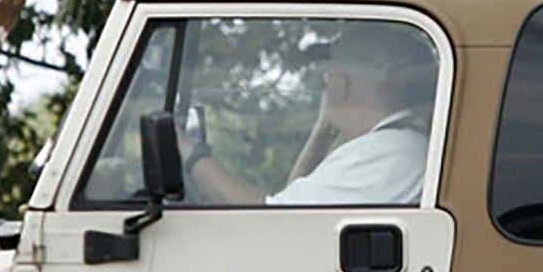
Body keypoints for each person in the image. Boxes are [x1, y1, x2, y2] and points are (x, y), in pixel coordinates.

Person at [182, 23, 435, 206]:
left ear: (343, 83)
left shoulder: (388, 152)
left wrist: (187, 151)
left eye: (329, 77)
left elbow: (267, 221)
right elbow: (296, 209)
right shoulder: (400, 144)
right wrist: (322, 132)